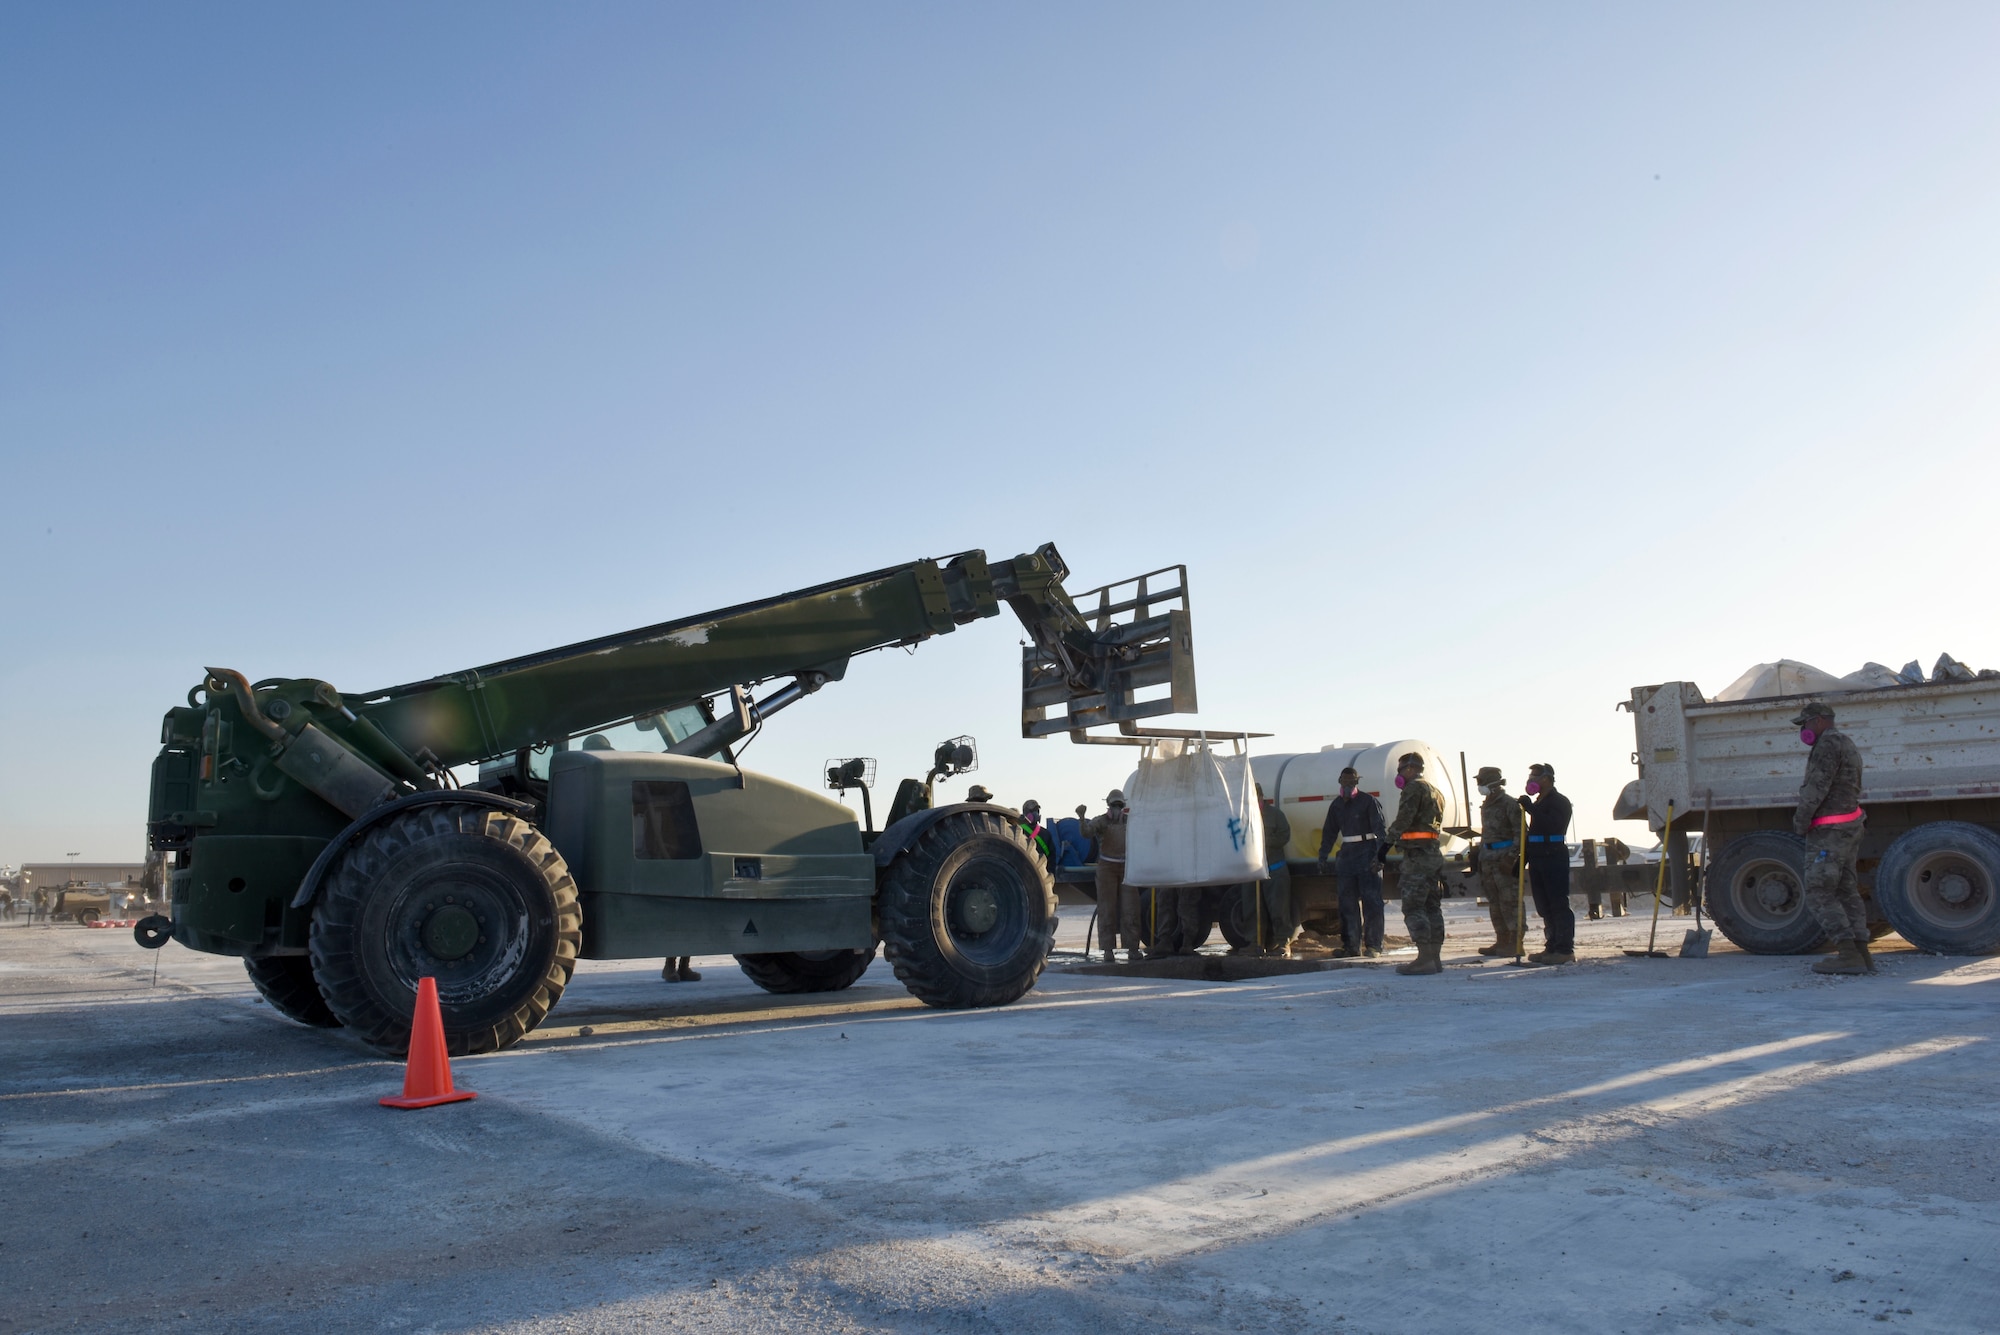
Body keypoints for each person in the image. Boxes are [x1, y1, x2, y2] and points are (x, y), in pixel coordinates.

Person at [1792, 701, 1873, 976]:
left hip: (1829, 832)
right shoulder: (1847, 742)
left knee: (1819, 891)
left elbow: (1816, 787)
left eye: (1804, 724)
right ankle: (1862, 954)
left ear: (1818, 721)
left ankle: (1848, 954)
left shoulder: (1827, 744)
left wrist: (1801, 821)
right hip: (1849, 827)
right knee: (1845, 889)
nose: (1803, 730)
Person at [1385, 753, 1449, 975]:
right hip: (1432, 854)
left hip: (1417, 857)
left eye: (1401, 769)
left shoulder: (1413, 789)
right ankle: (1434, 958)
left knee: (1413, 906)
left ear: (1411, 769)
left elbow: (1404, 819)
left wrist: (1384, 846)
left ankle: (1424, 959)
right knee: (1432, 906)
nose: (1399, 775)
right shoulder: (1436, 791)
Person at [1317, 766, 1386, 957]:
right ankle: (1351, 947)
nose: (1348, 786)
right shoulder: (1336, 805)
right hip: (1346, 857)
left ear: (1357, 783)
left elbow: (1381, 831)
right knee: (1346, 903)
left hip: (1368, 854)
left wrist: (1380, 857)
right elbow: (1329, 833)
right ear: (1340, 782)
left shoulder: (1368, 801)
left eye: (1352, 782)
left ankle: (1374, 946)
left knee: (1372, 902)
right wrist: (1323, 856)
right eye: (1345, 782)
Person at [1520, 763, 1576, 964]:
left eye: (1535, 776)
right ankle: (1551, 946)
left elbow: (1552, 825)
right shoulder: (1539, 803)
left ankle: (1564, 949)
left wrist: (1531, 809)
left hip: (1553, 856)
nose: (1531, 779)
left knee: (1558, 903)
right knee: (1544, 906)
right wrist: (1523, 860)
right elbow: (1532, 835)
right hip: (1538, 857)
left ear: (1546, 779)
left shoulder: (1559, 802)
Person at [1235, 783, 1294, 957]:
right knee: (1251, 909)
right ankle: (1254, 943)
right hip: (1251, 871)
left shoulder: (1275, 815)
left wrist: (1261, 841)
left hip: (1274, 870)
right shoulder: (1242, 816)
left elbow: (1284, 836)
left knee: (1279, 909)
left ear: (1261, 796)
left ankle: (1283, 943)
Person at [1473, 766, 1524, 956]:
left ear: (1492, 782)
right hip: (1488, 859)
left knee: (1510, 901)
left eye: (1481, 781)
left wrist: (1512, 857)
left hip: (1504, 859)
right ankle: (1501, 939)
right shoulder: (1487, 804)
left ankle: (1515, 941)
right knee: (1494, 902)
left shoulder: (1510, 804)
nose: (1479, 786)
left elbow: (1520, 833)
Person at [1084, 790, 1140, 963]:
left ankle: (1133, 948)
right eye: (1114, 805)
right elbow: (1086, 833)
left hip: (1126, 869)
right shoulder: (1101, 821)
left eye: (1119, 805)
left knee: (1131, 909)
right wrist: (1081, 818)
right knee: (1107, 910)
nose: (1116, 808)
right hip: (1107, 868)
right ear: (1108, 805)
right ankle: (1108, 950)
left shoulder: (1130, 822)